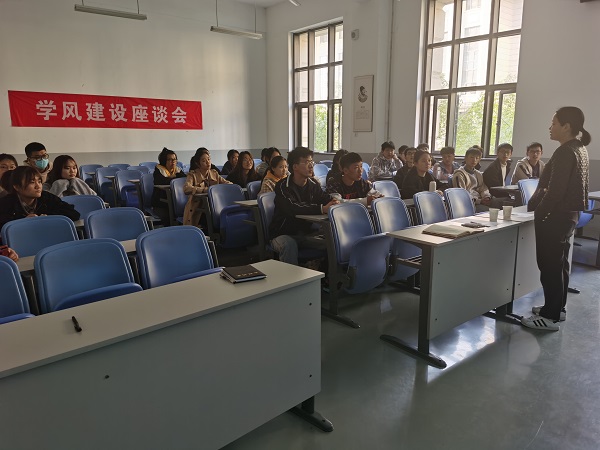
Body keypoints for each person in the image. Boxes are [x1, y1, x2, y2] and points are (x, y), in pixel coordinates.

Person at [521, 107, 590, 331]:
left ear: (566, 126)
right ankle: (557, 308)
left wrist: (540, 213)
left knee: (550, 266)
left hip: (556, 217)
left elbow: (555, 191)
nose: (550, 127)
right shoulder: (579, 148)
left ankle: (549, 317)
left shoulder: (565, 152)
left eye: (553, 123)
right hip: (569, 216)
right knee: (560, 264)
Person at [270, 147, 338, 265]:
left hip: (306, 234)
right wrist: (322, 208)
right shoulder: (283, 186)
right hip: (283, 234)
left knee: (332, 243)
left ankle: (323, 274)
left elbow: (325, 198)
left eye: (311, 162)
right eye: (307, 162)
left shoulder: (313, 185)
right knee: (289, 244)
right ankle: (292, 277)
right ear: (295, 166)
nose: (311, 166)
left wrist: (334, 201)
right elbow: (293, 207)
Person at [0, 166, 80, 231]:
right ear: (17, 187)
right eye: (32, 182)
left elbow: (73, 213)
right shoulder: (6, 203)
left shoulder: (46, 197)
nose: (38, 186)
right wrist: (22, 222)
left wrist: (49, 217)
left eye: (39, 181)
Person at [183, 149, 231, 227]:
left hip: (214, 205)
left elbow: (229, 184)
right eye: (203, 161)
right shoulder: (192, 175)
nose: (208, 162)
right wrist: (204, 190)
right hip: (197, 208)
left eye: (209, 159)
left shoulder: (214, 173)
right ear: (198, 163)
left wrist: (217, 189)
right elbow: (186, 188)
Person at [151, 147, 186, 226]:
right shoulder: (159, 170)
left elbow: (184, 179)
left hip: (175, 202)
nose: (173, 162)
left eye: (174, 159)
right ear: (164, 161)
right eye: (170, 159)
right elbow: (162, 182)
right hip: (161, 203)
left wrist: (174, 176)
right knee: (168, 217)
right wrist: (174, 178)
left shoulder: (177, 170)